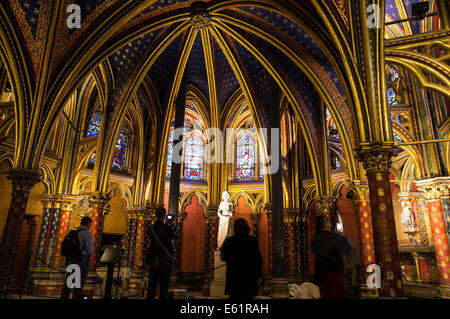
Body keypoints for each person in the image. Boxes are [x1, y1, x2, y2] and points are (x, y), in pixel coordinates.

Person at [311, 214, 351, 299]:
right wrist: (341, 236)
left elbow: (315, 249)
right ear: (326, 224)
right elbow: (347, 248)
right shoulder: (335, 238)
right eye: (329, 221)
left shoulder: (316, 238)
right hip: (334, 273)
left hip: (320, 273)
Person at [221, 218, 262, 300]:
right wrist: (258, 275)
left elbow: (223, 257)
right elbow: (258, 260)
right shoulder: (252, 241)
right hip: (248, 279)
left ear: (235, 228)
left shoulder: (229, 241)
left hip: (234, 279)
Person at [146, 207, 178, 300]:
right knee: (163, 287)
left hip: (152, 260)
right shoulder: (166, 228)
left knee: (151, 285)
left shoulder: (151, 228)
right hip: (164, 260)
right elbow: (176, 235)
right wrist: (172, 224)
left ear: (156, 215)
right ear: (165, 216)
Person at [61, 216, 94, 299]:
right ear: (88, 223)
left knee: (69, 281)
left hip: (72, 259)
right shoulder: (86, 233)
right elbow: (90, 250)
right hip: (81, 260)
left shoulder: (75, 231)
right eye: (90, 224)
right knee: (79, 283)